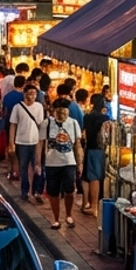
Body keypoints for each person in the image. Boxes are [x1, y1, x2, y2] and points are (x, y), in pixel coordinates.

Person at [43, 98, 83, 230]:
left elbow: (77, 144)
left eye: (65, 113)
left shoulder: (73, 123)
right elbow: (40, 144)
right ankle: (55, 219)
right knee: (53, 192)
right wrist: (38, 162)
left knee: (70, 190)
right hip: (52, 162)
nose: (63, 116)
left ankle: (69, 215)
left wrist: (80, 163)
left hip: (69, 162)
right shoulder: (46, 123)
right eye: (60, 112)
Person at [8, 81, 47, 206]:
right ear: (25, 94)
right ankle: (24, 191)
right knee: (23, 168)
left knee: (38, 167)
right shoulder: (18, 107)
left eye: (35, 94)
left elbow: (41, 125)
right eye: (30, 93)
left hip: (36, 142)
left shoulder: (39, 107)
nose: (32, 96)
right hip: (22, 142)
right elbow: (13, 125)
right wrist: (12, 143)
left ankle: (37, 191)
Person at [81, 94, 110, 218]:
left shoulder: (87, 117)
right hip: (100, 149)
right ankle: (94, 207)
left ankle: (89, 204)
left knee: (90, 176)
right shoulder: (104, 118)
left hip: (90, 147)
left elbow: (84, 132)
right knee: (95, 177)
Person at [0, 75, 26, 181]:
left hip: (8, 123)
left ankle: (10, 169)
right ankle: (18, 170)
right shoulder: (23, 98)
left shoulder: (7, 96)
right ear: (23, 84)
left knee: (10, 146)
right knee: (19, 149)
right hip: (20, 125)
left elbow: (3, 111)